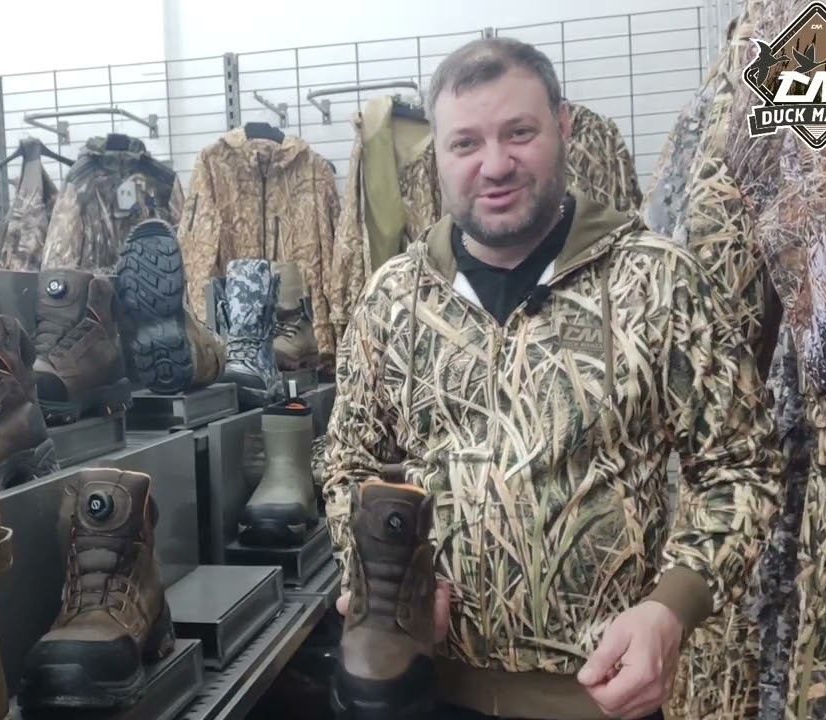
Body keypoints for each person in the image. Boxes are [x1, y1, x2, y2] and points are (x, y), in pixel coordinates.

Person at [323, 37, 780, 720]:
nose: (495, 165)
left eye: (519, 133)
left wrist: (671, 608)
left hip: (602, 699)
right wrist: (384, 579)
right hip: (426, 693)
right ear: (436, 156)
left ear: (563, 127)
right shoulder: (395, 297)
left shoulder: (655, 280)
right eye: (465, 143)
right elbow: (348, 461)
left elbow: (742, 467)